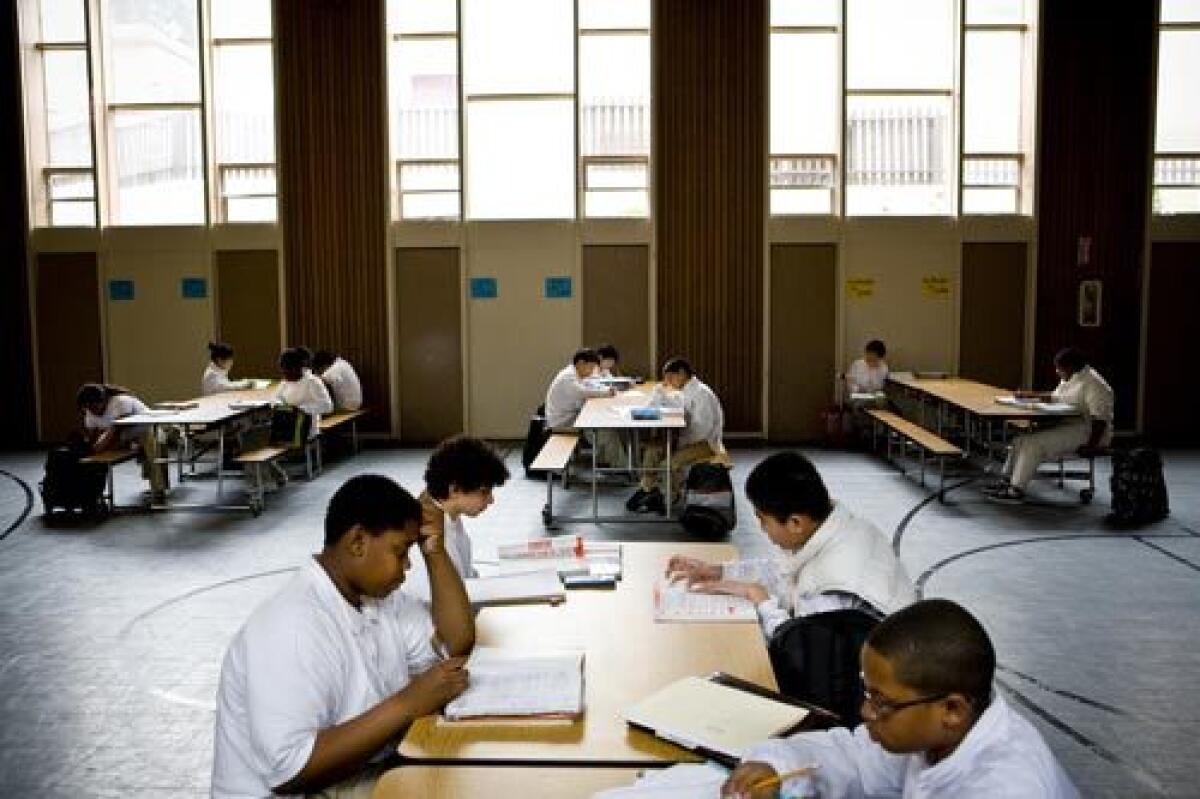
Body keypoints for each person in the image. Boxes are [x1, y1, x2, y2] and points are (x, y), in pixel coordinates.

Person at [211, 474, 475, 799]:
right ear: (358, 542)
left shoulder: (378, 600)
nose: (407, 565)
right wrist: (407, 704)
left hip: (354, 773)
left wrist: (434, 551)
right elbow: (290, 771)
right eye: (400, 551)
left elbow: (455, 644)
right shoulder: (293, 625)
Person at [722, 599, 1079, 799]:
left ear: (951, 709)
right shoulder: (938, 732)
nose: (865, 711)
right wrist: (774, 769)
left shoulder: (1007, 787)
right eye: (867, 692)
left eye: (881, 702)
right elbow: (854, 758)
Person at [665, 451, 914, 637]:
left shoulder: (832, 589)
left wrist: (760, 599)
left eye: (763, 520)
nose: (762, 530)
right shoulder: (838, 527)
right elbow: (786, 571)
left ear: (795, 522)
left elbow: (798, 647)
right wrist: (719, 571)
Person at [986, 347, 1114, 503]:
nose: (1057, 372)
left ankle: (1015, 490)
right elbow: (1055, 397)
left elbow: (1100, 419)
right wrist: (1029, 396)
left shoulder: (1094, 384)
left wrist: (1092, 446)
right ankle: (1005, 481)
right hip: (1069, 425)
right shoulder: (1071, 377)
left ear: (1071, 367)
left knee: (1033, 444)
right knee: (1020, 439)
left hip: (1089, 431)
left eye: (1060, 369)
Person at [403, 435, 511, 603]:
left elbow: (467, 576)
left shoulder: (448, 516)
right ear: (454, 489)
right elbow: (437, 602)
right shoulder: (428, 532)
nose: (491, 500)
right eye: (484, 492)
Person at [626, 357, 726, 514]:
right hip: (685, 439)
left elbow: (703, 429)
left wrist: (677, 444)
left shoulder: (701, 393)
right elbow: (673, 405)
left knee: (667, 464)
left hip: (704, 444)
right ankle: (648, 490)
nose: (668, 382)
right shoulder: (686, 391)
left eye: (670, 377)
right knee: (652, 452)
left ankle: (668, 498)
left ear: (681, 373)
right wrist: (659, 393)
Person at [76, 382, 168, 500]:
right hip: (127, 435)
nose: (92, 411)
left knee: (151, 456)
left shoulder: (120, 402)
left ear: (103, 401)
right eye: (87, 408)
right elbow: (94, 435)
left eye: (93, 407)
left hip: (147, 429)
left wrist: (98, 448)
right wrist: (91, 450)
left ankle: (159, 490)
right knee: (98, 455)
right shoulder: (89, 412)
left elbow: (115, 433)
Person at [543, 348, 614, 429]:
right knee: (599, 423)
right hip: (561, 422)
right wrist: (606, 393)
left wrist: (606, 389)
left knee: (598, 418)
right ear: (581, 363)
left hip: (568, 416)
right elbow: (581, 392)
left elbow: (590, 385)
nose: (591, 372)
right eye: (590, 367)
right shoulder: (567, 376)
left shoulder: (576, 374)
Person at [275, 347, 334, 437]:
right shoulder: (285, 382)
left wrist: (301, 409)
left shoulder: (312, 382)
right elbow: (276, 398)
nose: (285, 376)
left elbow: (327, 406)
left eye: (287, 372)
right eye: (283, 372)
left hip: (307, 425)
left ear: (297, 369)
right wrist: (278, 405)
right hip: (289, 421)